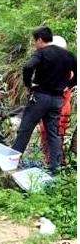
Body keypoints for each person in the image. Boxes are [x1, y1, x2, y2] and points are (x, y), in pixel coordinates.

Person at [12, 27, 76, 174]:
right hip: (57, 100)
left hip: (40, 97)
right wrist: (68, 86)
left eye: (35, 41)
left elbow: (28, 66)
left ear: (40, 40)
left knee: (25, 129)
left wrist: (29, 85)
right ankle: (56, 168)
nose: (35, 44)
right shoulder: (68, 55)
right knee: (53, 134)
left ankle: (12, 163)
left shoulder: (41, 53)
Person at [38, 35, 76, 165]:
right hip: (50, 104)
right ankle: (50, 161)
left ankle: (57, 163)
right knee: (45, 132)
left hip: (60, 106)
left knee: (56, 133)